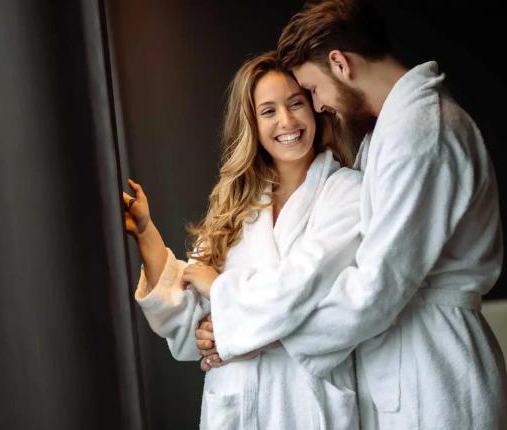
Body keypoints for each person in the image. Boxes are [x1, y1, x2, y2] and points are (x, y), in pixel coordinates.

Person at [196, 1, 507, 429]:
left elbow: (378, 285)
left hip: (435, 365)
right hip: (405, 359)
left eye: (312, 89)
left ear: (340, 64)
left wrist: (258, 338)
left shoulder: (421, 133)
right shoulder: (391, 130)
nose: (319, 105)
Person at [123, 51, 364, 429]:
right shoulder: (235, 205)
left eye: (296, 103)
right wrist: (145, 232)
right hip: (238, 408)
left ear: (315, 108)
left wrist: (221, 294)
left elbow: (300, 291)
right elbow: (191, 329)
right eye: (268, 111)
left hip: (306, 405)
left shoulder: (346, 193)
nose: (286, 121)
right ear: (251, 123)